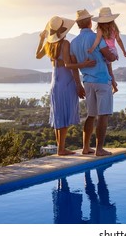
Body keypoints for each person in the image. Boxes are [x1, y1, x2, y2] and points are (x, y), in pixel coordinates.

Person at [36, 16, 95, 156]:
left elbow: (37, 56)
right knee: (65, 114)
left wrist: (41, 39)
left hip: (55, 82)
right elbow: (69, 65)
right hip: (66, 82)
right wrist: (84, 65)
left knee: (59, 115)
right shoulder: (65, 43)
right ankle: (61, 149)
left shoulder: (49, 45)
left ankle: (60, 148)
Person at [70, 9, 117, 156]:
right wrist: (114, 55)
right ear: (90, 22)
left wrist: (78, 84)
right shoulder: (96, 37)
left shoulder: (73, 43)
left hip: (87, 82)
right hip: (102, 80)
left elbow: (74, 68)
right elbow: (108, 55)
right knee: (103, 115)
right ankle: (99, 149)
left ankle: (85, 147)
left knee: (91, 115)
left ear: (78, 24)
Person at [88, 7, 126, 94]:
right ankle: (114, 85)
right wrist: (123, 51)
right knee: (110, 71)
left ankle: (113, 86)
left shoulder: (100, 28)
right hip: (113, 51)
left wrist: (92, 48)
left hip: (105, 52)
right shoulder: (114, 28)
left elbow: (97, 40)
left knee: (107, 71)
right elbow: (119, 40)